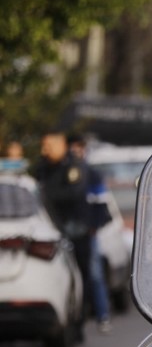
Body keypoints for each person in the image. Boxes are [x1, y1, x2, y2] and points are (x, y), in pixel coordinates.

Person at [34, 131, 105, 336]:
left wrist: (45, 194)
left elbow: (74, 193)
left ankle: (79, 323)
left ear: (61, 145)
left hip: (76, 232)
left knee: (82, 277)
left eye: (48, 145)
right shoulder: (43, 168)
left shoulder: (75, 166)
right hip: (51, 232)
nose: (44, 150)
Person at [68, 133, 113, 334]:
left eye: (80, 147)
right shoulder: (64, 174)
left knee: (95, 275)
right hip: (67, 233)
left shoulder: (91, 174)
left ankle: (102, 316)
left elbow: (102, 206)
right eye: (74, 147)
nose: (77, 151)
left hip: (89, 234)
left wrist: (93, 228)